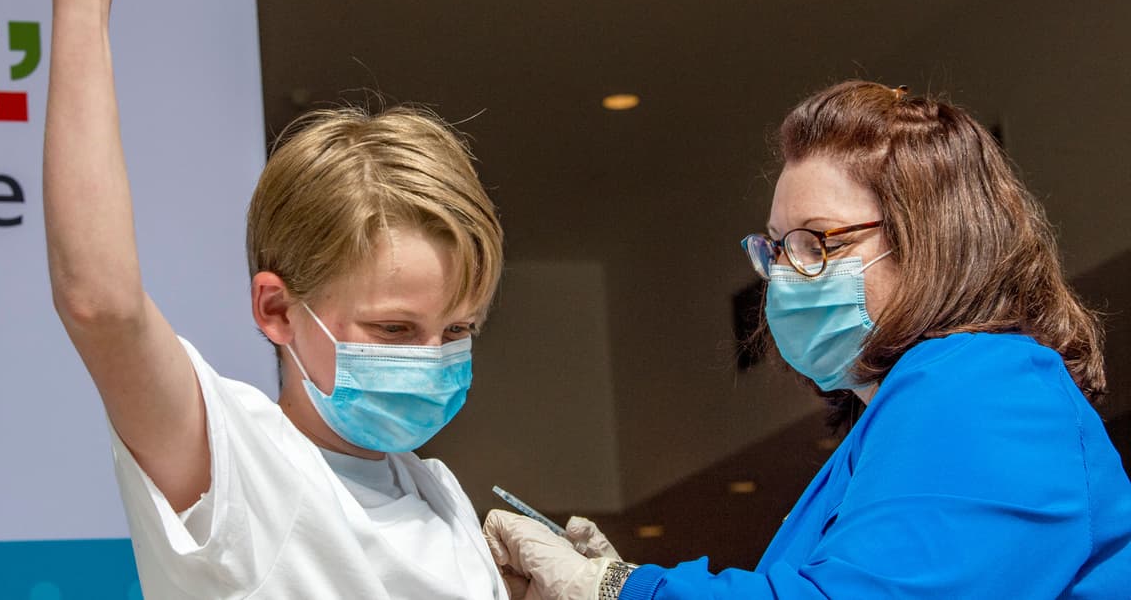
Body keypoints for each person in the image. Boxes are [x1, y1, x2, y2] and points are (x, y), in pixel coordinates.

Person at [45, 0, 509, 598]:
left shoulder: (440, 497)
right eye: (395, 330)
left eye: (456, 331)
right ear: (276, 308)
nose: (432, 360)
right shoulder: (236, 461)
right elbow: (102, 303)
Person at [483, 80, 1131, 599]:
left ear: (931, 240)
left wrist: (619, 590)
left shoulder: (986, 385)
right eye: (776, 249)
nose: (783, 277)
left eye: (816, 242)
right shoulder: (901, 417)